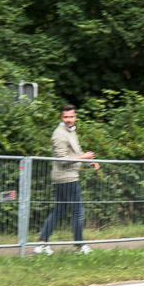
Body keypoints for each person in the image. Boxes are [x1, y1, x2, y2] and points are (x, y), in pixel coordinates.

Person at [36, 104, 100, 254]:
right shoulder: (59, 134)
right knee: (77, 211)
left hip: (68, 177)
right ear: (61, 117)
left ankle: (41, 244)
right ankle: (80, 245)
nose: (69, 120)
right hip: (66, 179)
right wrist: (84, 157)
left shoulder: (70, 132)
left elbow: (75, 154)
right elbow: (62, 160)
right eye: (66, 117)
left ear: (75, 117)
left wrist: (88, 163)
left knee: (59, 211)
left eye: (71, 117)